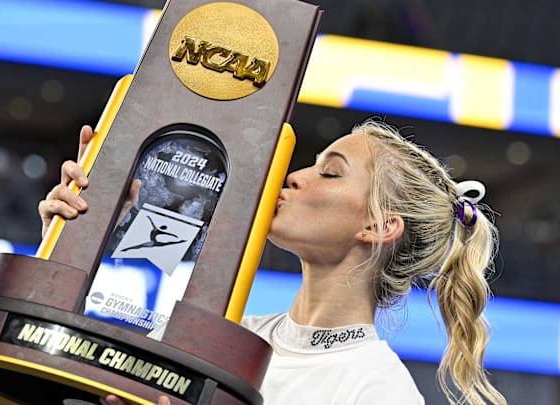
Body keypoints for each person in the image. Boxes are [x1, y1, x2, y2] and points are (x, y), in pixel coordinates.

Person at [40, 120, 506, 405]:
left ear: (380, 227)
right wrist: (80, 243)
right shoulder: (224, 336)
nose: (296, 176)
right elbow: (78, 367)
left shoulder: (379, 390)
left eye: (330, 172)